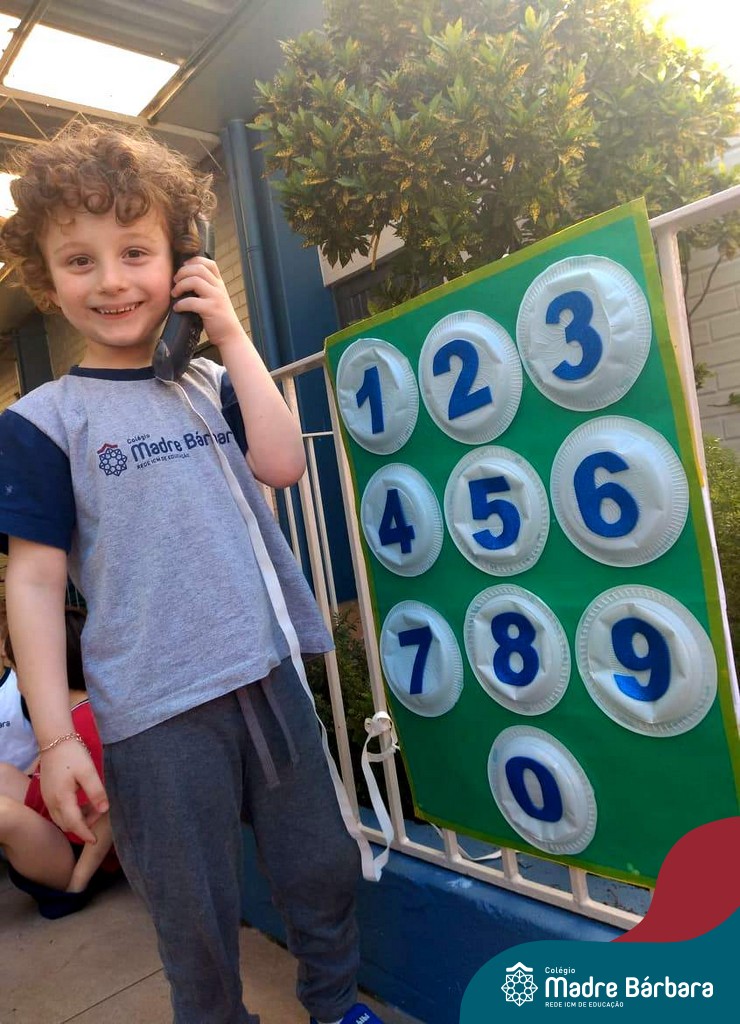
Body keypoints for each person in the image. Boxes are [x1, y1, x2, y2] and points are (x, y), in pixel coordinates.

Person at [0, 124, 383, 1024]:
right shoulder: (45, 420)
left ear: (182, 257)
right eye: (80, 261)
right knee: (193, 912)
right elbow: (34, 585)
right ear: (47, 280)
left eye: (136, 252)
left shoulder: (210, 383)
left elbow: (282, 463)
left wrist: (230, 331)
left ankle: (334, 1003)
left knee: (321, 866)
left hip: (263, 675)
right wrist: (55, 742)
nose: (111, 280)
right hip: (155, 713)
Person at [0, 605, 120, 918]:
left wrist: (77, 885)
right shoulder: (69, 715)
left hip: (76, 853)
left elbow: (110, 812)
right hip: (59, 825)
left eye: (17, 670)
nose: (18, 682)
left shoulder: (88, 722)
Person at [0, 606, 38, 771]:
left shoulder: (21, 687)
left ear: (3, 646)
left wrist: (29, 779)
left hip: (29, 780)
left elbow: (53, 742)